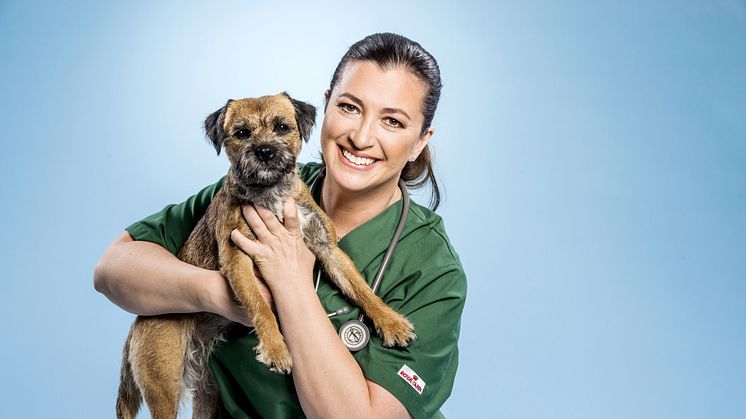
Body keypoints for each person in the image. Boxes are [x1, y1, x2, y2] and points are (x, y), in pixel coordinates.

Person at [94, 33, 467, 419]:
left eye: (392, 121)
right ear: (324, 108)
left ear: (420, 141)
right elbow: (112, 269)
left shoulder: (434, 270)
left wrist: (290, 282)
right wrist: (222, 295)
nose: (361, 136)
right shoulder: (252, 186)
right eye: (350, 108)